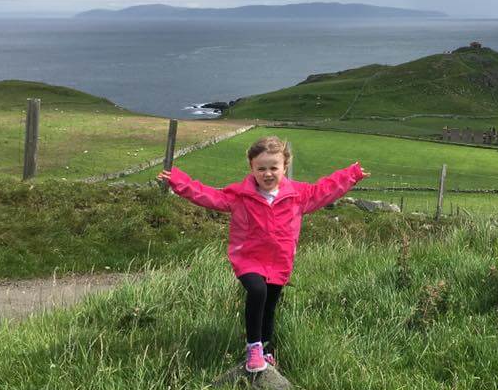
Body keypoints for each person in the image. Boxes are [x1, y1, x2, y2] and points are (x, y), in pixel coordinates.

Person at [158, 135, 369, 373]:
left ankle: (267, 350)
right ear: (251, 168)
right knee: (257, 291)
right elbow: (207, 195)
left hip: (280, 262)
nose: (267, 173)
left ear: (284, 167)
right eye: (261, 168)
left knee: (269, 305)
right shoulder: (240, 195)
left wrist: (351, 175)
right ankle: (254, 348)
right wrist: (178, 181)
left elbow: (326, 190)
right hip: (247, 258)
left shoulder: (299, 195)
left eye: (273, 168)